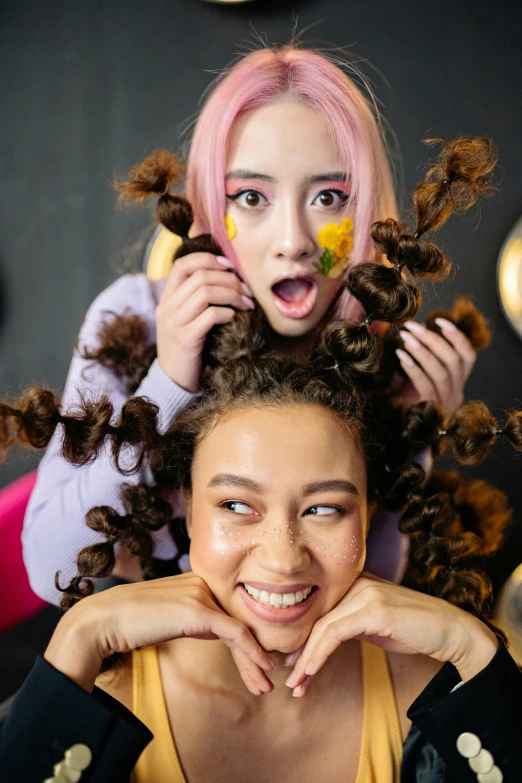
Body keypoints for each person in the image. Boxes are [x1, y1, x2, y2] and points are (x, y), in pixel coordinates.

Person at [10, 45, 493, 605]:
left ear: (367, 213)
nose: (293, 241)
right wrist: (165, 383)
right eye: (251, 197)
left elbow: (365, 598)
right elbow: (51, 570)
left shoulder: (379, 353)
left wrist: (417, 435)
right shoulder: (138, 319)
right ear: (212, 206)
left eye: (330, 196)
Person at [1, 307, 521, 782]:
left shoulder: (432, 702)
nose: (282, 557)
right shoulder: (98, 698)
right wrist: (80, 633)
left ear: (367, 515)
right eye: (235, 506)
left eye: (324, 509)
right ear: (186, 506)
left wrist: (472, 646)